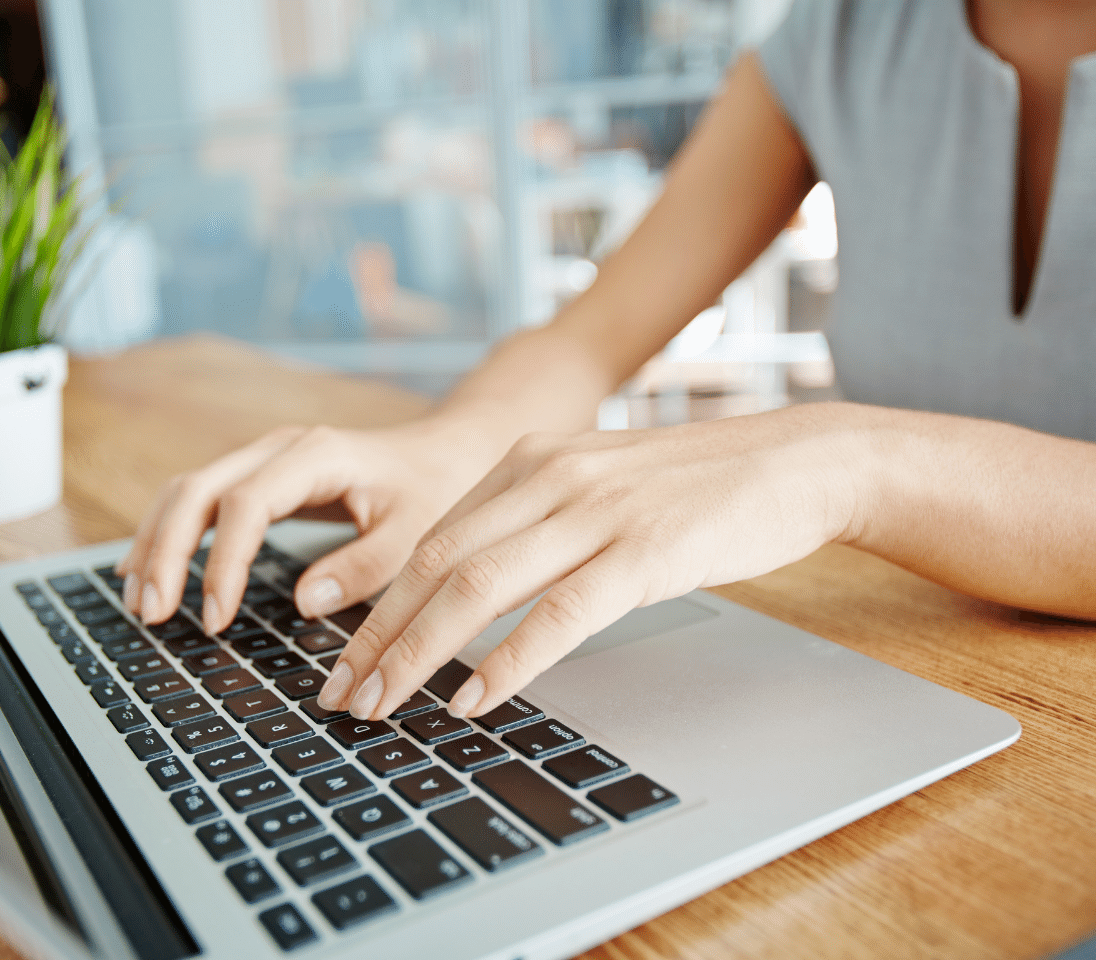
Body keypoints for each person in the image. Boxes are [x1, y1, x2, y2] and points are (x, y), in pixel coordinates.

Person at [117, 0, 1096, 726]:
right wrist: (447, 444)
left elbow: (847, 464)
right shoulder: (843, 32)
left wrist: (846, 462)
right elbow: (594, 332)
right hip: (919, 671)